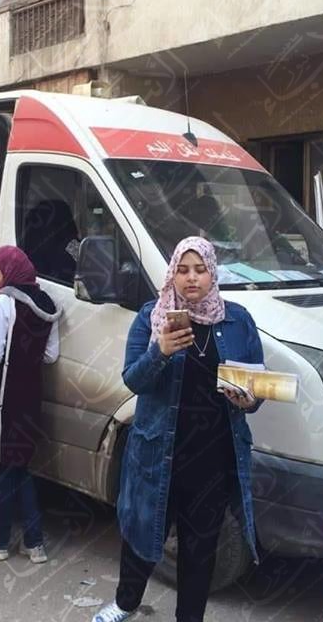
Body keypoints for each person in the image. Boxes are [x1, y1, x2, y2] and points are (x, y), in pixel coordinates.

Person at [91, 237, 264, 622]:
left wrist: (249, 399)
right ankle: (126, 602)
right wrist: (161, 351)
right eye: (183, 270)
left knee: (200, 549)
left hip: (214, 460)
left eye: (200, 270)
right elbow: (133, 380)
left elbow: (258, 384)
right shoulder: (153, 317)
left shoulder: (238, 321)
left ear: (212, 274)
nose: (191, 278)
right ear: (172, 274)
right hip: (159, 456)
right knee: (141, 532)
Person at [0, 246, 61, 565]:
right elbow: (50, 355)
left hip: (3, 396)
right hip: (31, 395)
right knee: (20, 466)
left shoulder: (3, 302)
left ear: (10, 269)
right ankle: (35, 544)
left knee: (2, 469)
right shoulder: (48, 303)